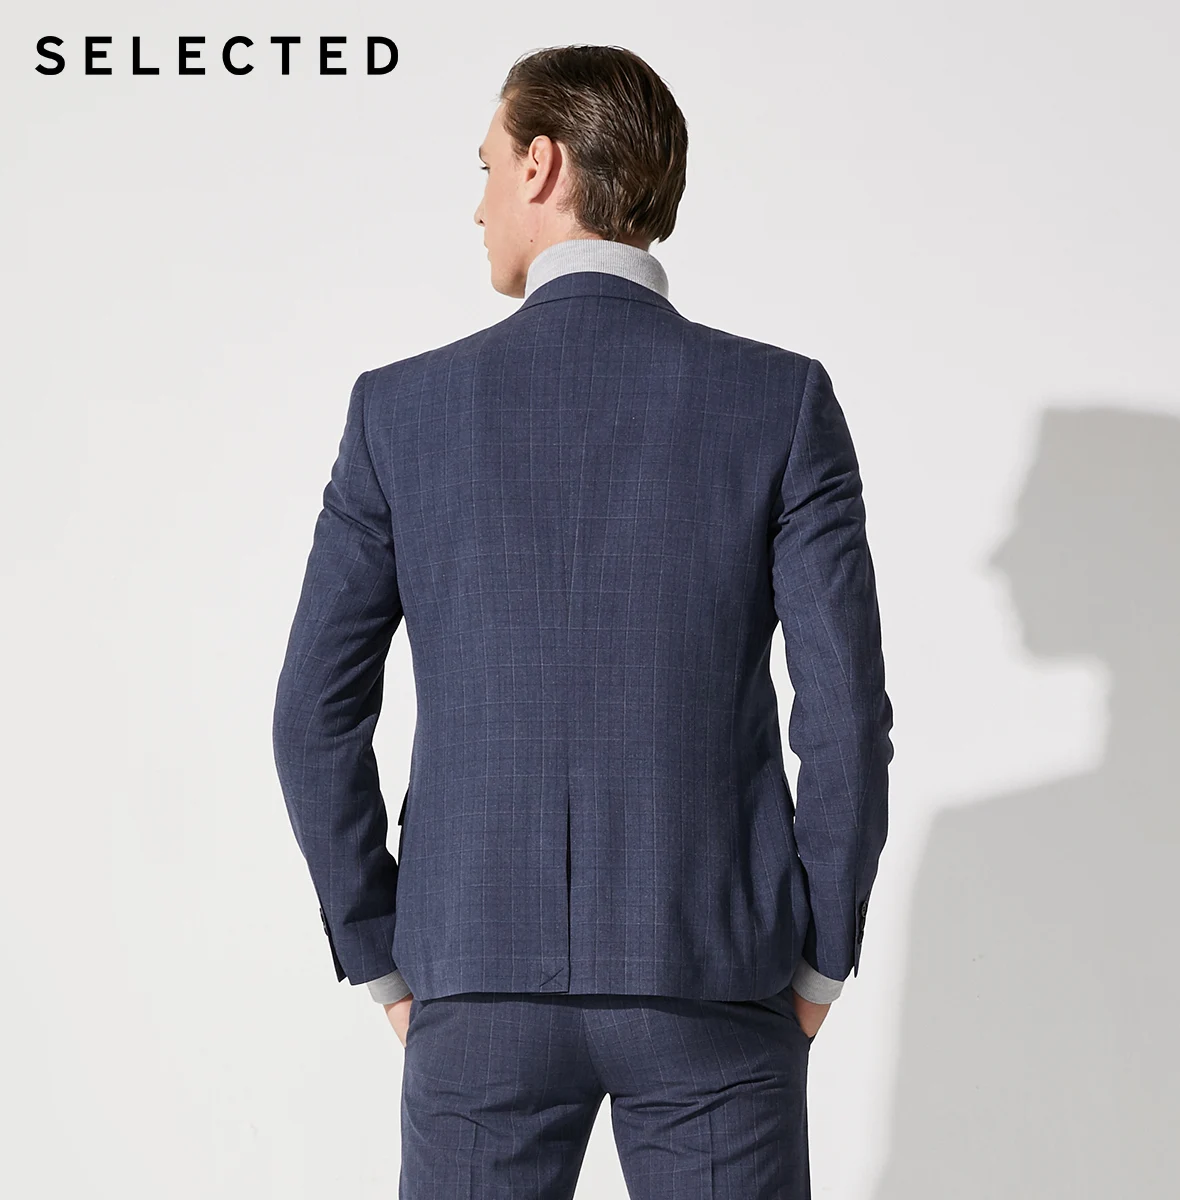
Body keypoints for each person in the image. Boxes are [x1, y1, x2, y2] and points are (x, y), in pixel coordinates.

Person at [272, 42, 894, 1200]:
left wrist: (383, 955)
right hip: (714, 976)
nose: (477, 206)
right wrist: (819, 960)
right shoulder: (780, 402)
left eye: (486, 167)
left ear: (542, 166)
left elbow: (312, 716)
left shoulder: (400, 412)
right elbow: (846, 715)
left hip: (476, 979)